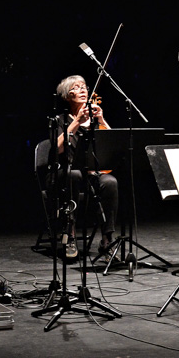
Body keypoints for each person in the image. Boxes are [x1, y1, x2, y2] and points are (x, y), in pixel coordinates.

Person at [53, 75, 119, 259]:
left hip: (92, 173)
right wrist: (77, 122)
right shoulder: (61, 120)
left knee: (110, 182)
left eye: (84, 86)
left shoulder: (95, 120)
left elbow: (113, 144)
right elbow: (56, 149)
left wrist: (102, 120)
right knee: (73, 175)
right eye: (76, 87)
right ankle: (70, 234)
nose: (82, 90)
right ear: (67, 95)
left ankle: (107, 240)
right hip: (68, 173)